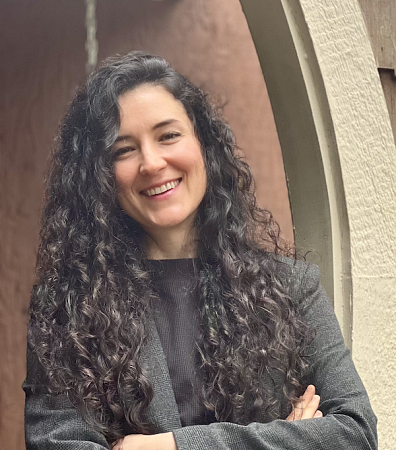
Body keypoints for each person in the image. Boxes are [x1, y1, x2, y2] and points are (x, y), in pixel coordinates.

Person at [24, 51, 377, 450]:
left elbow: (354, 432)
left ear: (204, 145)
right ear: (98, 176)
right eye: (123, 149)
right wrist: (289, 438)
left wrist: (169, 446)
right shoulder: (69, 308)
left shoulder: (293, 289)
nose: (152, 162)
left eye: (168, 135)